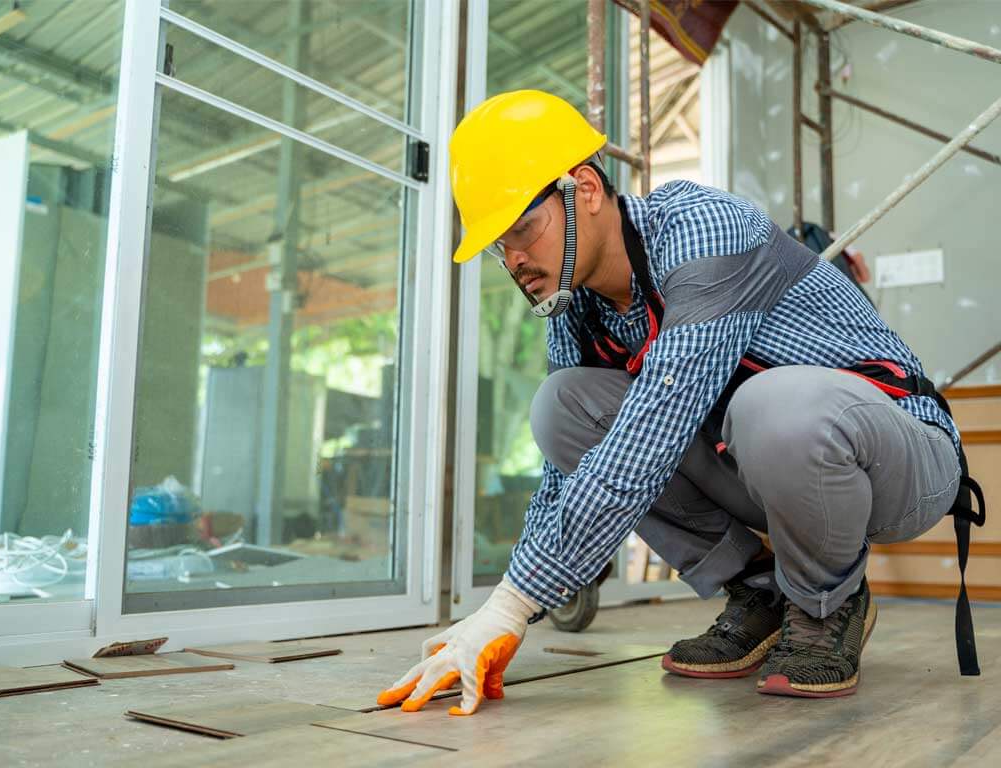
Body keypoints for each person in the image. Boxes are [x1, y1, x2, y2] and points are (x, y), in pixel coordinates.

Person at [377, 90, 972, 715]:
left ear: (583, 187)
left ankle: (828, 602)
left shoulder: (702, 232)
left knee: (772, 405)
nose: (516, 258)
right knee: (563, 405)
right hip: (770, 466)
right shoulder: (577, 310)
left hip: (902, 457)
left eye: (523, 227)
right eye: (500, 245)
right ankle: (762, 592)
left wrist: (514, 601)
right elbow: (566, 475)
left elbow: (654, 430)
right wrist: (498, 610)